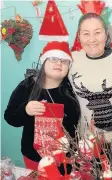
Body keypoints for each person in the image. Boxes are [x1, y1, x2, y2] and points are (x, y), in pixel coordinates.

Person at [4, 41, 80, 171]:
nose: (59, 63)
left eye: (64, 61)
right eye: (54, 59)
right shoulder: (27, 86)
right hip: (34, 158)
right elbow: (10, 117)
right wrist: (25, 110)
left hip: (66, 159)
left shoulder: (73, 88)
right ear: (44, 62)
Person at [68, 13, 112, 142]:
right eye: (86, 33)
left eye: (97, 32)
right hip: (84, 141)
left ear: (106, 34)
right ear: (79, 36)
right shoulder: (71, 59)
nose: (92, 39)